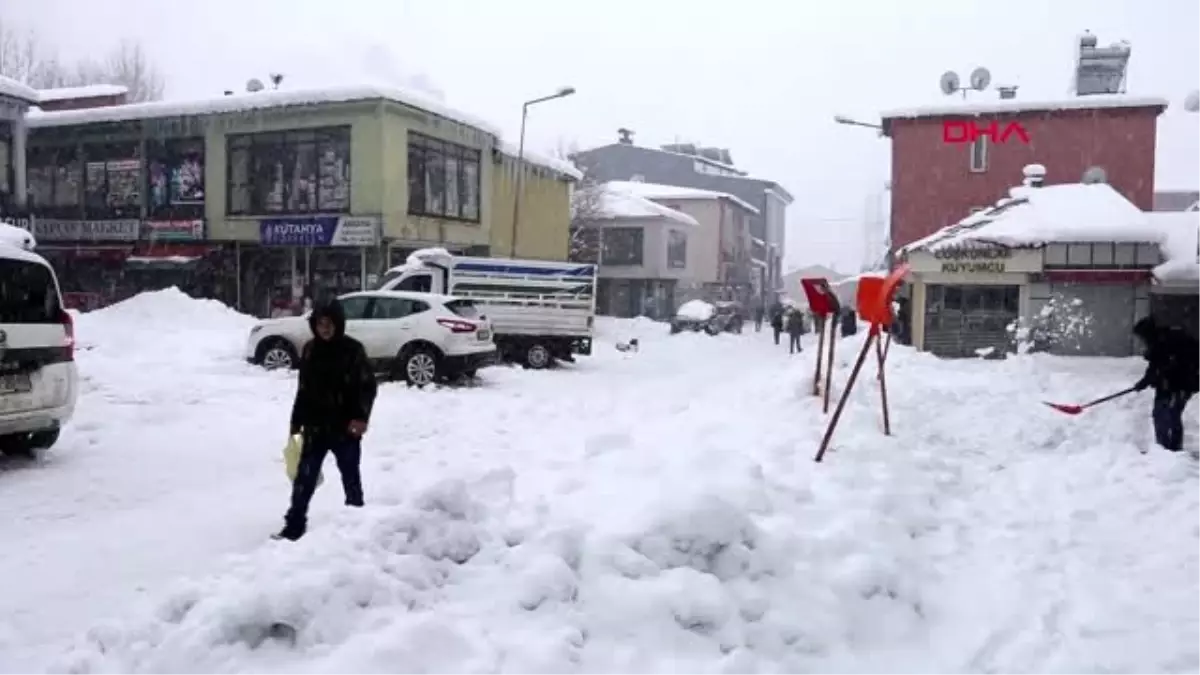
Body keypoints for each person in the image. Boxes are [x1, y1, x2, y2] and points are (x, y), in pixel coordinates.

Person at [275, 300, 378, 541]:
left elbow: (367, 387)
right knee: (304, 479)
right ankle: (294, 527)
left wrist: (360, 418)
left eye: (329, 324)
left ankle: (358, 529)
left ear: (338, 324)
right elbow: (303, 388)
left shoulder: (353, 350)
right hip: (315, 425)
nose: (325, 329)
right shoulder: (310, 349)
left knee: (351, 477)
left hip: (346, 428)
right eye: (320, 324)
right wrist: (296, 420)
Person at [1132, 317, 1200, 452]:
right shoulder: (1160, 342)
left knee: (1170, 414)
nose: (1141, 341)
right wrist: (1145, 382)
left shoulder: (1166, 342)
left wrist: (1147, 381)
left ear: (1147, 333)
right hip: (1170, 384)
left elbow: (1160, 366)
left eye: (1141, 337)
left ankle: (1171, 450)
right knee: (1162, 414)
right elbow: (1155, 368)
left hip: (1182, 384)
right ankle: (1164, 449)